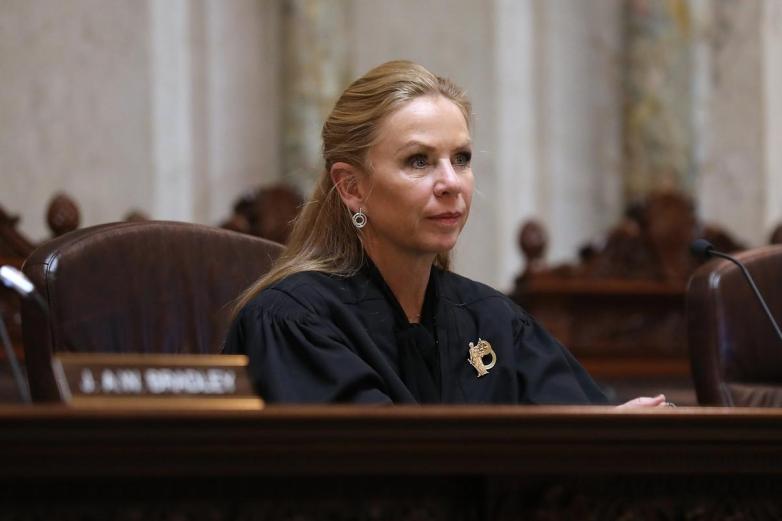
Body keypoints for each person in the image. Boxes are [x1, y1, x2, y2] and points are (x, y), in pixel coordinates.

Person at [225, 60, 669, 408]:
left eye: (461, 158)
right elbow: (383, 477)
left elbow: (589, 421)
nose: (451, 182)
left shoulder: (491, 318)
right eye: (418, 161)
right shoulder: (293, 320)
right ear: (352, 187)